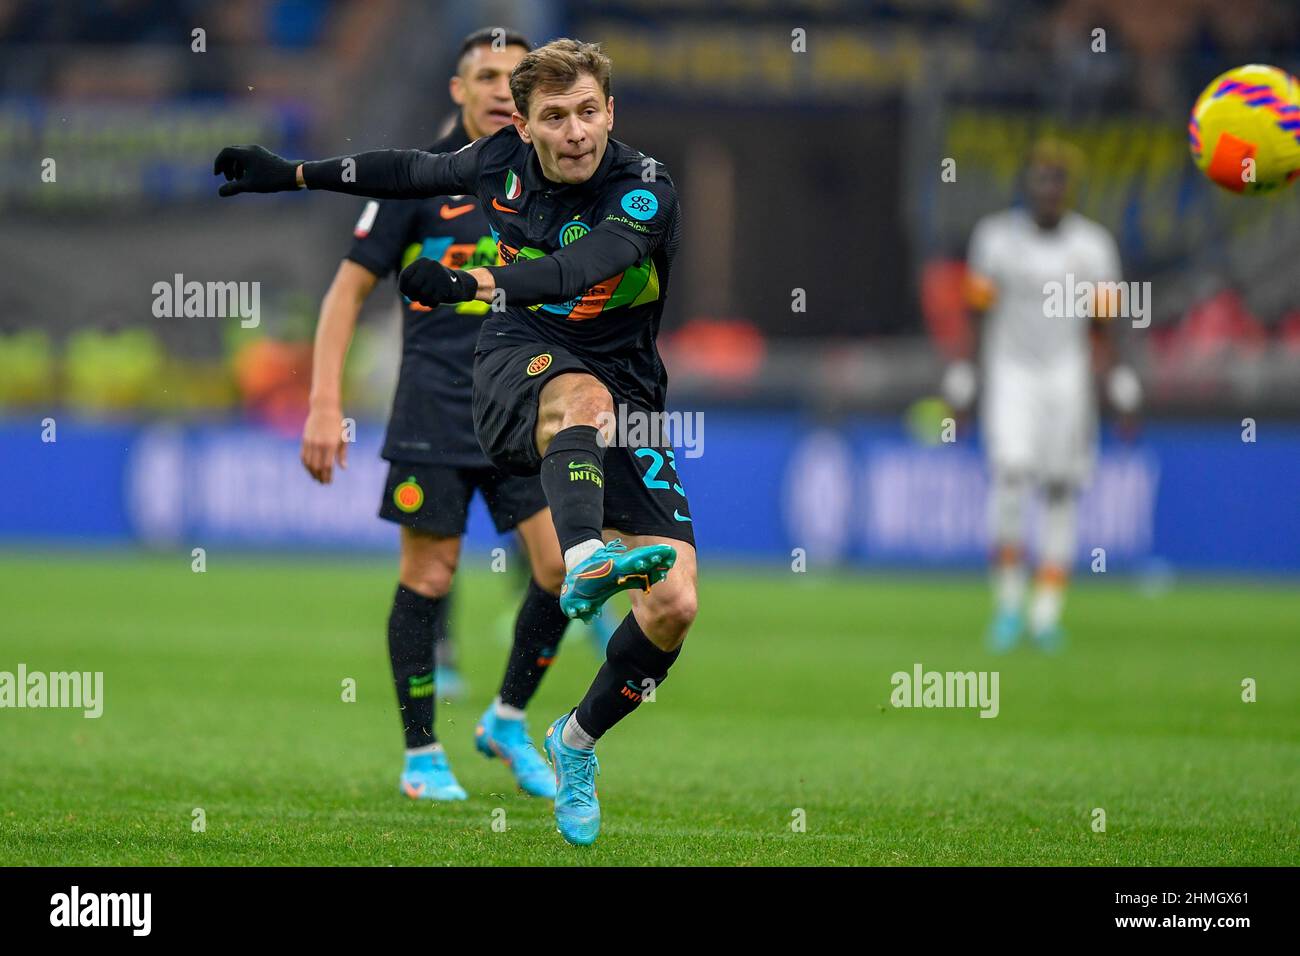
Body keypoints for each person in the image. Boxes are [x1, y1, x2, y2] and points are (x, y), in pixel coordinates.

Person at [215, 37, 698, 846]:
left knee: (676, 605)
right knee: (570, 405)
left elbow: (586, 268)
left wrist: (473, 281)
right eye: (555, 117)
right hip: (517, 365)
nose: (576, 131)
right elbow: (401, 169)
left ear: (610, 112)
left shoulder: (645, 190)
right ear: (528, 124)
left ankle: (572, 739)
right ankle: (580, 564)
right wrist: (290, 173)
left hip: (632, 397)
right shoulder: (497, 162)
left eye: (588, 112)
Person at [299, 27, 570, 804]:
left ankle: (508, 718)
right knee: (429, 573)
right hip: (433, 414)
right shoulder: (416, 183)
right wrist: (324, 404)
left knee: (559, 571)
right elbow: (345, 292)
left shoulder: (555, 188)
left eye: (513, 78)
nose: (496, 88)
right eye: (483, 74)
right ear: (457, 89)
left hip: (524, 416)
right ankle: (422, 756)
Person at [944, 139, 1141, 653]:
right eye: (1041, 178)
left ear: (1069, 188)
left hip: (1068, 379)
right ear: (1027, 184)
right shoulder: (995, 240)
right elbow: (978, 315)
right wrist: (966, 375)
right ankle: (1008, 606)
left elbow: (1105, 322)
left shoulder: (1093, 245)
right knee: (1010, 481)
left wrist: (1116, 379)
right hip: (1012, 374)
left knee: (1059, 492)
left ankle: (1046, 614)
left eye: (1058, 179)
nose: (1049, 189)